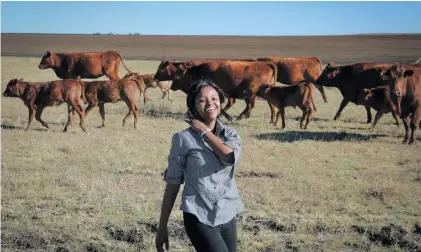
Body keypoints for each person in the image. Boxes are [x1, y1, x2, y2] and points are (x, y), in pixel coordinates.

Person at [155, 78, 244, 252]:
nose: (210, 103)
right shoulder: (182, 139)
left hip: (227, 213)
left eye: (214, 98)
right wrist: (162, 226)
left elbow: (229, 157)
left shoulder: (230, 135)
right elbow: (173, 184)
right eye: (202, 100)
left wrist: (204, 132)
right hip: (199, 216)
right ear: (193, 106)